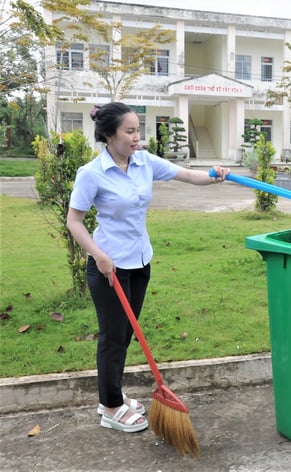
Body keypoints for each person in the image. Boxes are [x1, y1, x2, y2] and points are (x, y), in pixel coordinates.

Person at [66, 102, 228, 433]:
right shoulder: (92, 174)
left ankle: (111, 395)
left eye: (138, 130)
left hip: (140, 262)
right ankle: (111, 406)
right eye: (130, 131)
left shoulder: (143, 162)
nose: (137, 137)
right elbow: (74, 221)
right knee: (112, 337)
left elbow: (186, 175)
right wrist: (98, 254)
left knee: (125, 334)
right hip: (109, 267)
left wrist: (213, 176)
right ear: (110, 135)